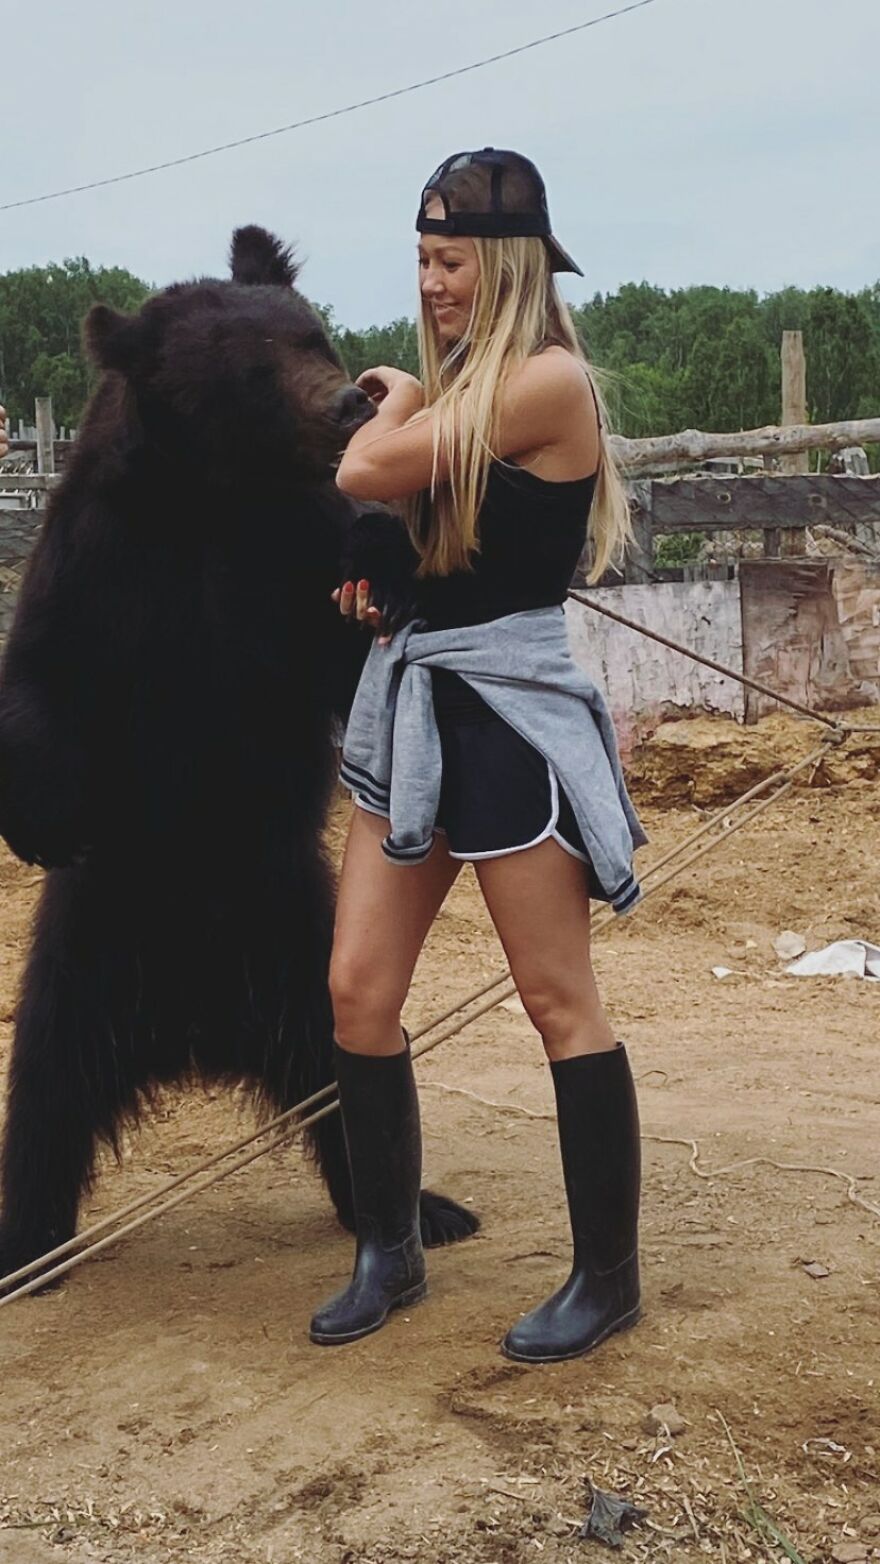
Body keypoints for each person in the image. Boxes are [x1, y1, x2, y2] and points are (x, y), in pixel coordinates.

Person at [311, 148, 646, 1363]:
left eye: (449, 260)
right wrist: (383, 579)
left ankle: (607, 1276)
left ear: (504, 264)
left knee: (559, 1002)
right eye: (419, 258)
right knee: (358, 991)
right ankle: (387, 1247)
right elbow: (410, 529)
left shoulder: (545, 382)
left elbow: (362, 464)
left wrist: (394, 405)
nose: (431, 280)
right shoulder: (469, 388)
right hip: (418, 700)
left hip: (506, 707)